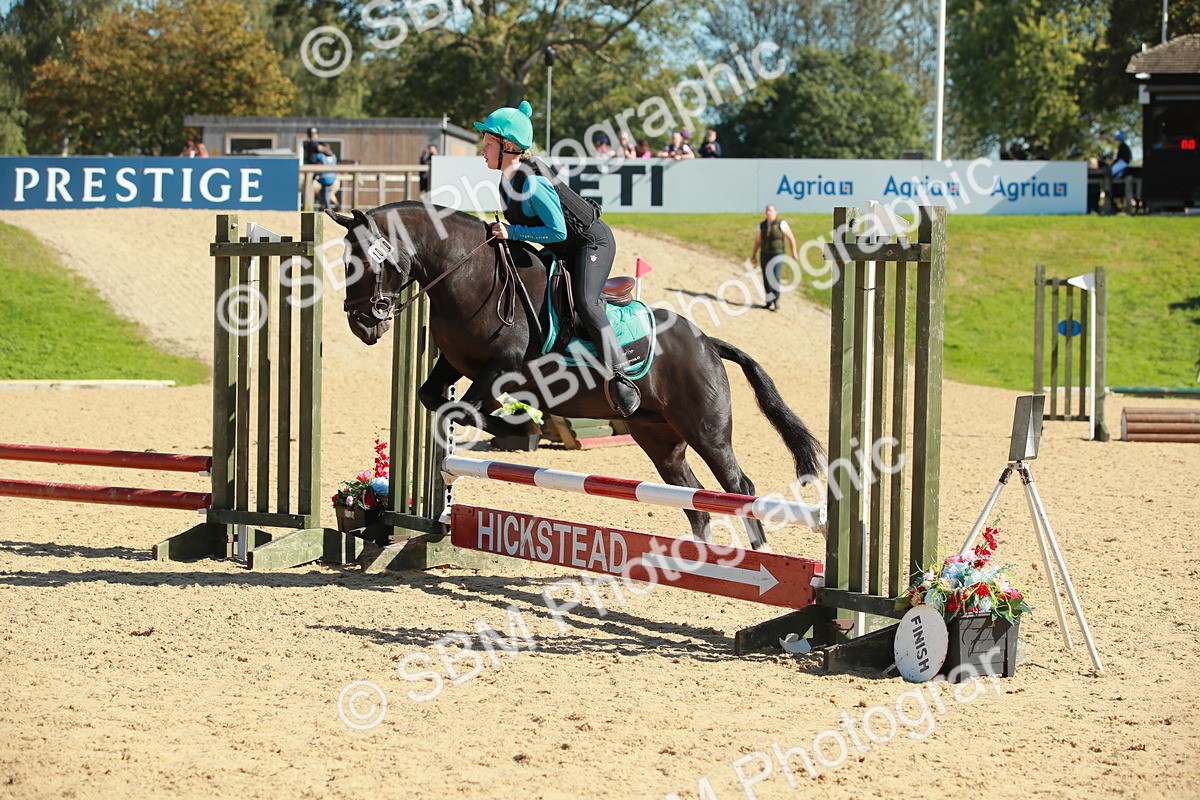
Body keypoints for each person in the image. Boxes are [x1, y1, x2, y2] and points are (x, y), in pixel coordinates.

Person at [474, 100, 641, 416]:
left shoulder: (532, 181)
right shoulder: (507, 177)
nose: (483, 151)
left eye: (488, 144)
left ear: (508, 146)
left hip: (590, 244)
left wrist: (512, 232)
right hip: (562, 248)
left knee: (586, 301)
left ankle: (621, 376)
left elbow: (557, 231)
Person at [749, 204, 798, 311]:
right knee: (766, 277)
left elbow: (791, 238)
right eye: (767, 211)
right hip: (764, 254)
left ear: (776, 212)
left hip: (777, 254)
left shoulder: (782, 224)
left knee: (775, 276)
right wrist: (754, 255)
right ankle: (768, 301)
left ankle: (776, 301)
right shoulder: (761, 226)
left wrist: (794, 252)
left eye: (770, 211)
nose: (768, 213)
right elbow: (757, 241)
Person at [315, 143, 339, 211]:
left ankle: (328, 207)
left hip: (324, 178)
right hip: (333, 178)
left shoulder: (321, 156)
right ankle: (324, 206)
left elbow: (316, 161)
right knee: (325, 192)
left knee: (324, 191)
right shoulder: (334, 156)